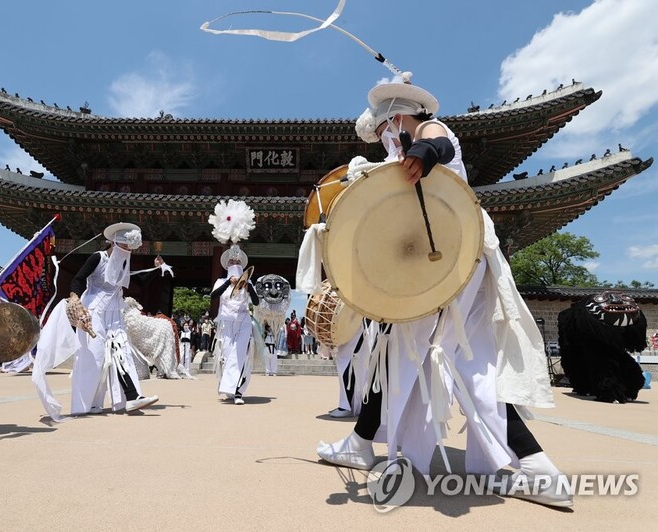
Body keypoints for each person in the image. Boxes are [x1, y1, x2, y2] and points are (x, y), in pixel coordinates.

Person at [315, 76, 571, 507]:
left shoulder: (430, 132)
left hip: (445, 269)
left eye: (383, 132)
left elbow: (438, 141)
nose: (384, 142)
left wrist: (425, 150)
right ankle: (362, 442)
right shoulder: (402, 154)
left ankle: (535, 467)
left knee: (460, 366)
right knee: (404, 357)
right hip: (453, 266)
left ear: (396, 118)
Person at [65, 223, 161, 416]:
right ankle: (88, 403)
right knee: (96, 356)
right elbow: (78, 278)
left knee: (122, 351)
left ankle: (133, 397)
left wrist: (156, 269)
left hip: (115, 312)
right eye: (124, 246)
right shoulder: (98, 258)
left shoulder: (123, 263)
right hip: (94, 311)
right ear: (115, 243)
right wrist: (75, 297)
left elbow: (139, 282)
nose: (127, 250)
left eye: (129, 248)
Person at [211, 245, 260, 405]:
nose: (235, 263)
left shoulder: (248, 282)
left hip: (243, 320)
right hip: (226, 321)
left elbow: (257, 302)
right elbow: (214, 296)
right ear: (227, 264)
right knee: (226, 355)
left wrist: (249, 287)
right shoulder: (220, 281)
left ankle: (238, 392)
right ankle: (228, 387)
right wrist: (227, 284)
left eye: (238, 261)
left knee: (240, 356)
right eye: (232, 261)